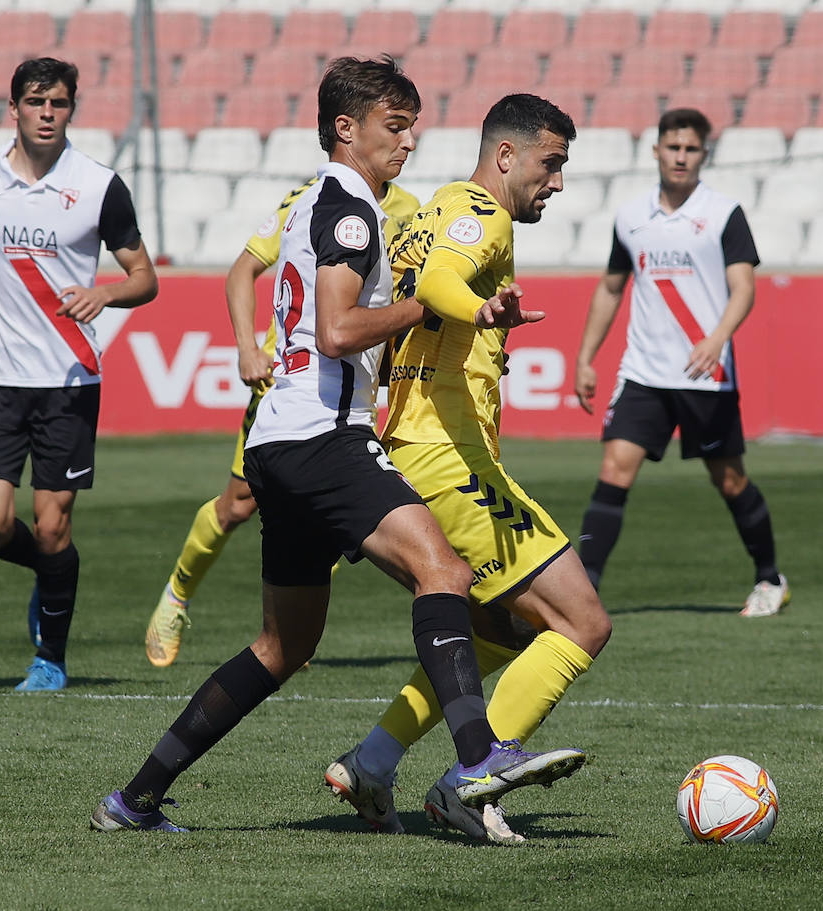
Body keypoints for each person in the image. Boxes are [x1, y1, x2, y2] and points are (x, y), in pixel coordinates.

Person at [91, 57, 584, 834]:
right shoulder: (351, 208)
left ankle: (135, 798)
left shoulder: (309, 205)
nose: (410, 142)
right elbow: (337, 329)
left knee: (280, 647)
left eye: (413, 126)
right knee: (443, 569)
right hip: (325, 435)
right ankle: (478, 755)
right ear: (346, 129)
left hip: (278, 443)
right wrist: (428, 306)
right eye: (396, 126)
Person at [323, 93, 611, 844]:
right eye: (551, 164)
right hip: (450, 461)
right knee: (580, 620)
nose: (557, 182)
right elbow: (443, 280)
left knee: (493, 632)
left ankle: (374, 760)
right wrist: (477, 311)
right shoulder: (482, 213)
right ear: (507, 155)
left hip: (413, 448)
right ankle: (470, 779)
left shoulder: (433, 206)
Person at [143, 177, 420, 667]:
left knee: (341, 504)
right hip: (291, 383)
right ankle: (177, 594)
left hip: (357, 392)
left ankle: (290, 627)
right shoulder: (311, 200)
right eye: (395, 127)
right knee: (235, 507)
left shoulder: (408, 210)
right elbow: (242, 271)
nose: (405, 143)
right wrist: (249, 348)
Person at [0, 57, 158, 691]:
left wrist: (107, 294)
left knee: (52, 523)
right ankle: (52, 571)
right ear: (12, 108)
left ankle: (50, 660)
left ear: (72, 109)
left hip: (69, 382)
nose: (47, 113)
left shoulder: (98, 186)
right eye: (36, 102)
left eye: (59, 103)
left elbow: (145, 278)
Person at [573, 108, 788, 618]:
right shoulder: (630, 216)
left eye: (691, 149)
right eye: (673, 147)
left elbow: (744, 287)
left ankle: (769, 579)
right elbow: (610, 288)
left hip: (704, 375)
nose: (680, 157)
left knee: (730, 479)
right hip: (644, 372)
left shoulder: (723, 213)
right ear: (656, 151)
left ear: (703, 155)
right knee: (614, 469)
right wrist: (585, 358)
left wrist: (718, 338)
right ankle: (582, 593)